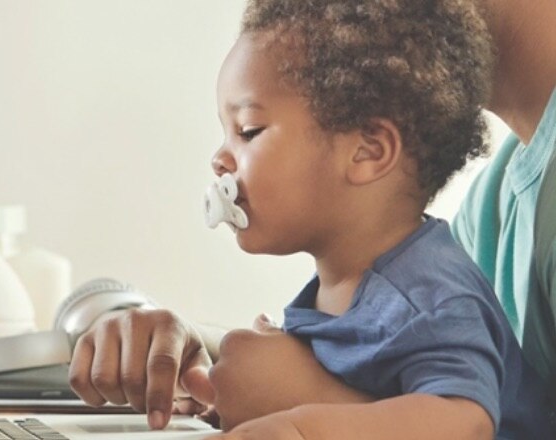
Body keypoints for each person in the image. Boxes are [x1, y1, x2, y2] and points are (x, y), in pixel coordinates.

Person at [69, 0, 555, 438]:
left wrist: (302, 420)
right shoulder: (484, 211)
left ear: (368, 150)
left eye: (249, 131)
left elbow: (465, 422)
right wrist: (208, 363)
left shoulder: (426, 291)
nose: (219, 159)